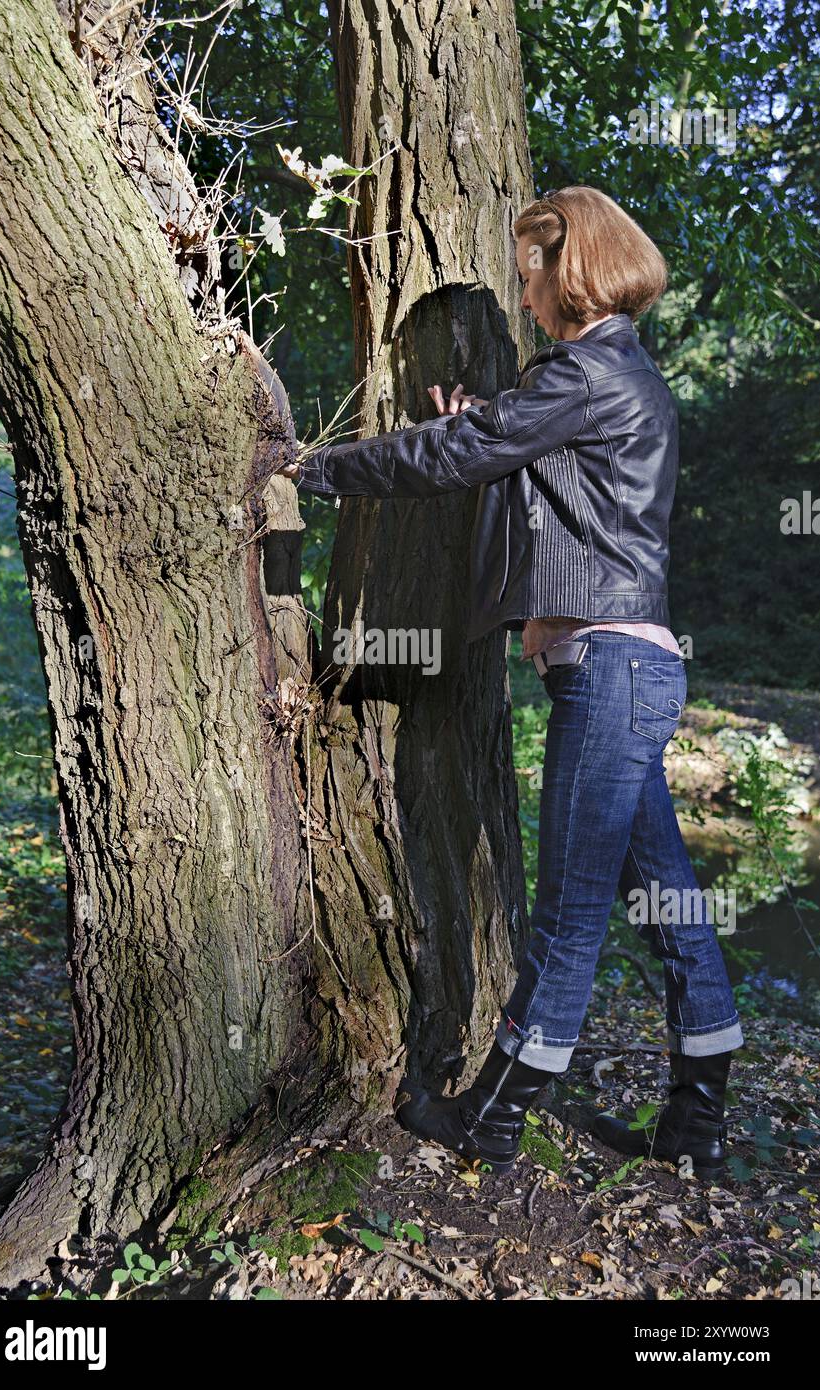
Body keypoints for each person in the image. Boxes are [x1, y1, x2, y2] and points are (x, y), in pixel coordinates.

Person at [283, 185, 743, 1181]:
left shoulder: (584, 372)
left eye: (532, 265)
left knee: (571, 912)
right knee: (663, 893)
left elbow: (460, 456)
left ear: (572, 267)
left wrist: (315, 472)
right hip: (628, 671)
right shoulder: (612, 375)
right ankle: (699, 1119)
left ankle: (491, 1114)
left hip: (612, 676)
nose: (523, 287)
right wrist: (499, 417)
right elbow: (547, 467)